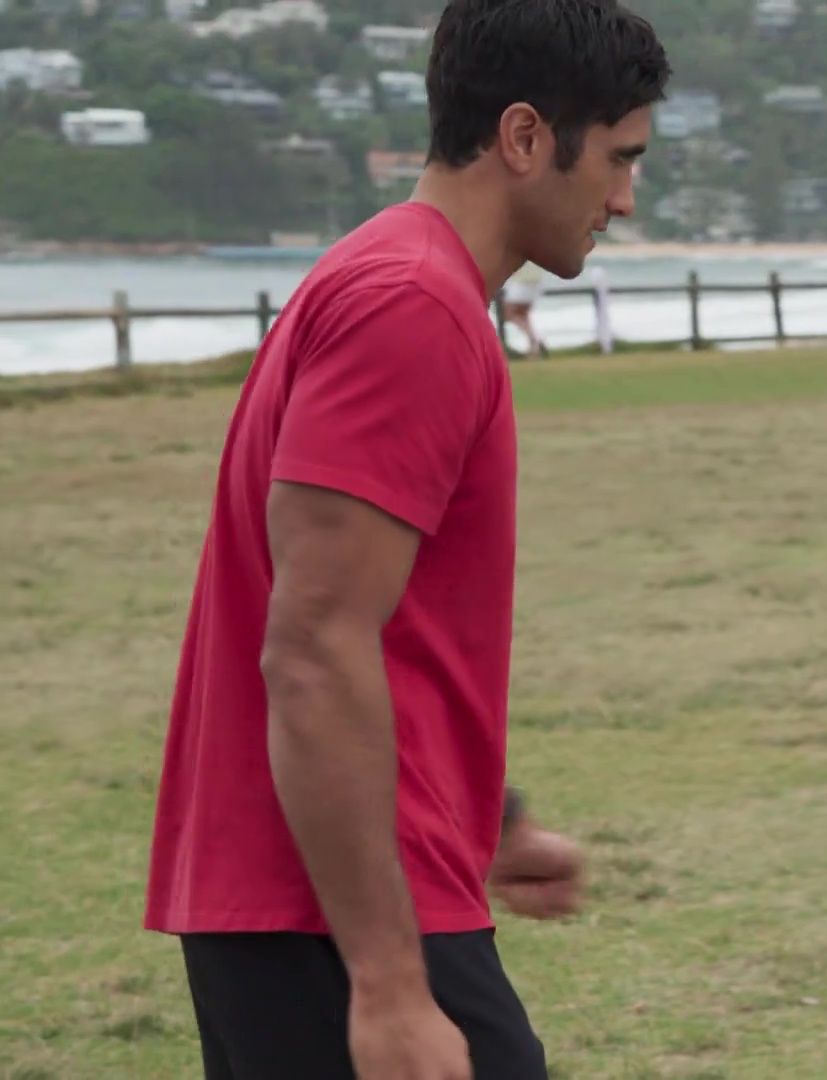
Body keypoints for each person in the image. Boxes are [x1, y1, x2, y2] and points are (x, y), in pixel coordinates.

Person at [142, 2, 670, 1077]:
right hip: (329, 919)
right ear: (523, 137)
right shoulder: (411, 308)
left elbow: (369, 626)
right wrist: (387, 983)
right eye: (619, 159)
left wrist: (486, 819)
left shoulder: (397, 278)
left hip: (339, 890)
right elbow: (312, 648)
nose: (624, 198)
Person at [502, 262, 548, 357]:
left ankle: (533, 339)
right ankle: (534, 347)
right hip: (536, 280)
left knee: (507, 313)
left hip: (523, 281)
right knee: (523, 314)